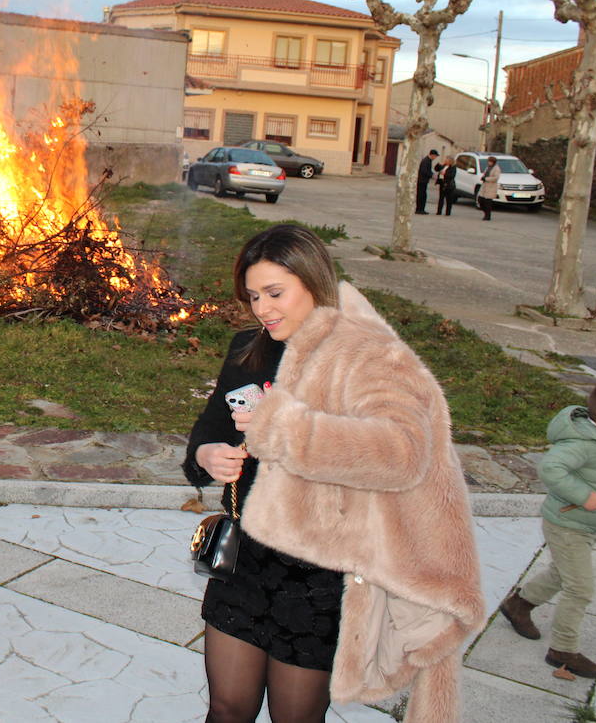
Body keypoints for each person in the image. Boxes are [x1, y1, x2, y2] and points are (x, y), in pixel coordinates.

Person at [182, 224, 483, 723]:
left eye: (276, 293)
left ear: (314, 283)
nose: (262, 309)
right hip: (246, 561)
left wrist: (288, 429)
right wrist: (209, 455)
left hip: (321, 576)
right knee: (227, 707)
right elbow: (205, 434)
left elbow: (402, 453)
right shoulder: (247, 349)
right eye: (254, 295)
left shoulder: (364, 358)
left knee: (295, 717)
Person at [499, 378, 596, 679]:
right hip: (567, 525)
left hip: (585, 525)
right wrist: (583, 495)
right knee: (580, 588)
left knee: (562, 573)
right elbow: (550, 468)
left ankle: (519, 605)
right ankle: (563, 650)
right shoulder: (581, 444)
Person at [415, 149, 439, 214]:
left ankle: (421, 209)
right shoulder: (426, 161)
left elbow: (428, 170)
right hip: (422, 180)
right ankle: (419, 209)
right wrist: (431, 175)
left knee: (423, 195)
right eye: (435, 156)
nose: (435, 158)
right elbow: (424, 171)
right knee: (421, 195)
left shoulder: (428, 160)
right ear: (432, 155)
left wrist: (432, 174)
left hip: (423, 180)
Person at [479, 155, 500, 220]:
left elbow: (496, 178)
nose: (489, 163)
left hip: (491, 187)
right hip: (484, 186)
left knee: (487, 202)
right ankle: (485, 213)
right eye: (488, 161)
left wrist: (486, 179)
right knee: (480, 200)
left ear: (493, 162)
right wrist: (483, 177)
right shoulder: (488, 167)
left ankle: (487, 215)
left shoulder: (496, 169)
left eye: (490, 162)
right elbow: (485, 174)